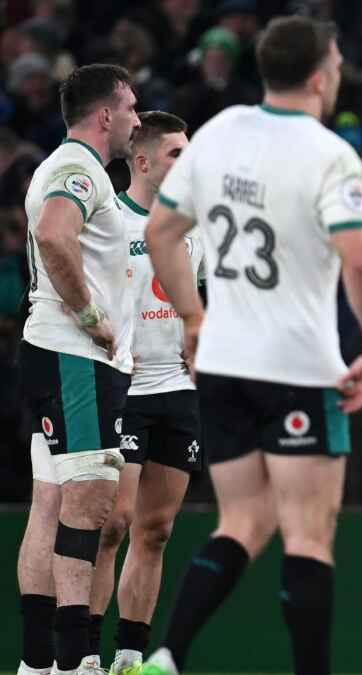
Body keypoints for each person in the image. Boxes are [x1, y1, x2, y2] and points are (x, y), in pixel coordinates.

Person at [139, 17, 362, 675]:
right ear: (319, 74)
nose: (337, 72)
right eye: (336, 61)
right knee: (309, 532)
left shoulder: (219, 131)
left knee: (243, 521)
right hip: (298, 364)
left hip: (222, 363)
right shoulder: (329, 153)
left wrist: (193, 319)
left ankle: (167, 652)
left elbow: (163, 231)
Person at [17, 63, 141, 675]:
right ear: (106, 115)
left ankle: (38, 664)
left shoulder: (67, 167)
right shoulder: (79, 170)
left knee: (52, 502)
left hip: (58, 352)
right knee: (89, 502)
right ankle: (73, 661)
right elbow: (52, 232)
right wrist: (91, 313)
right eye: (133, 108)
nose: (138, 120)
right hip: (73, 356)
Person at [86, 111, 199, 675]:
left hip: (179, 390)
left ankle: (130, 657)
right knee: (113, 523)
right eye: (178, 153)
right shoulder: (109, 221)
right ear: (143, 160)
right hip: (124, 387)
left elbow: (207, 293)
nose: (189, 162)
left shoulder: (196, 223)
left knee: (156, 530)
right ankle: (81, 653)